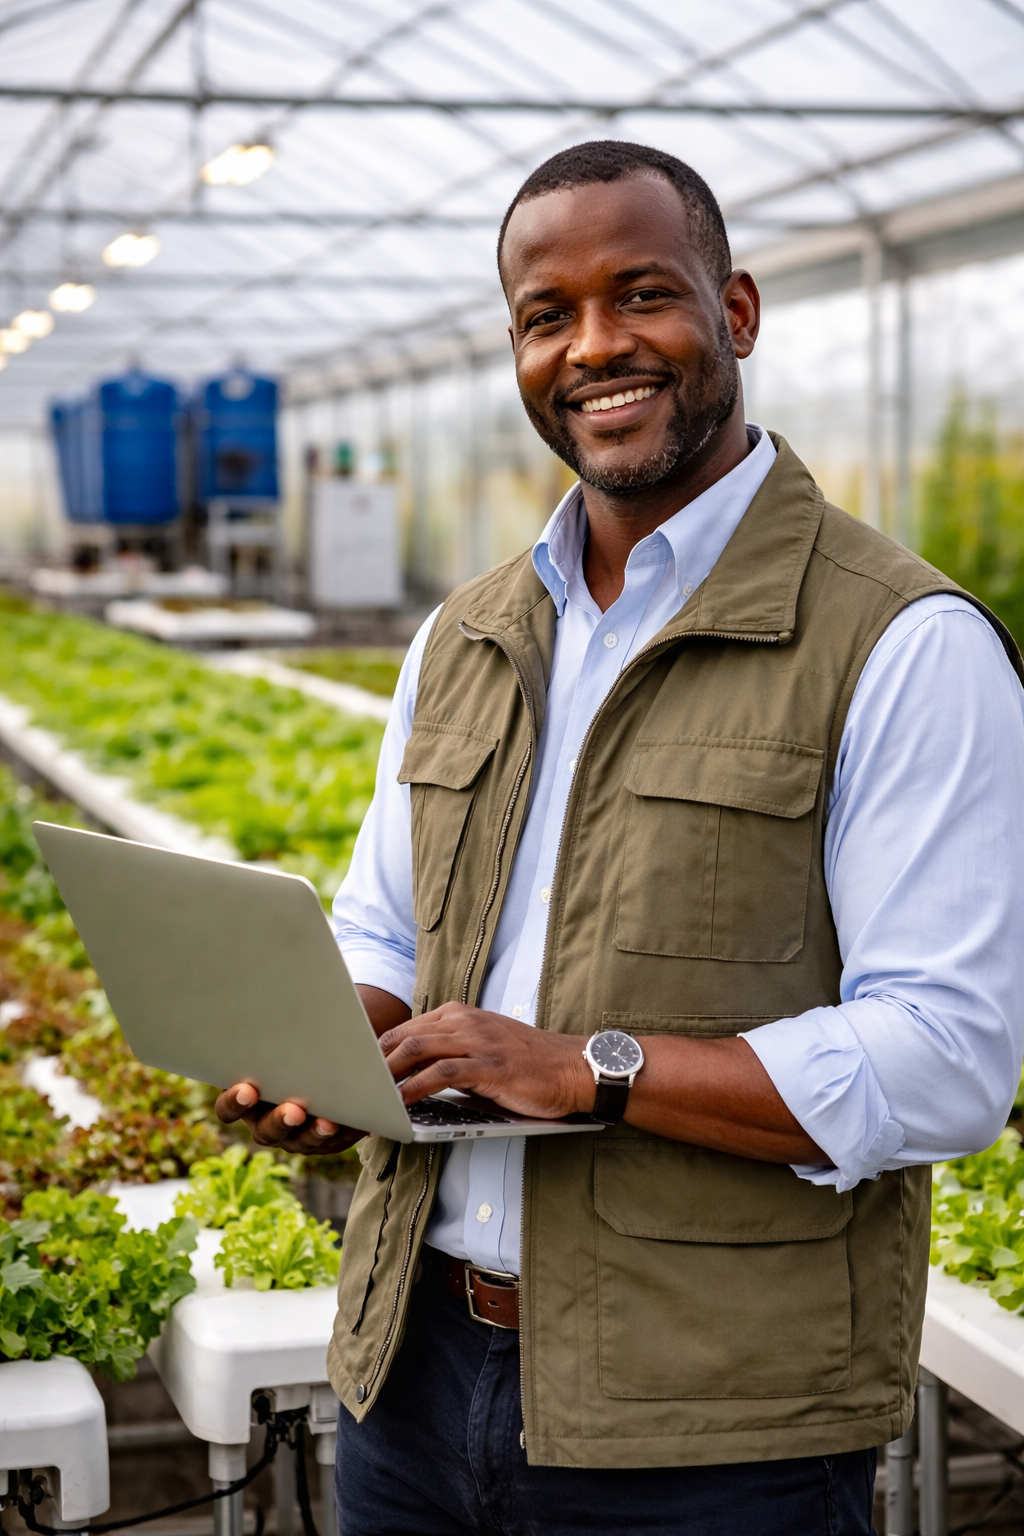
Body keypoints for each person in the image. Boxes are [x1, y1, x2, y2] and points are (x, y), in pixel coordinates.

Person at [217, 141, 1024, 1535]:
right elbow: (385, 920)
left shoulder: (900, 642)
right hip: (409, 1379)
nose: (594, 347)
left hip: (710, 1428)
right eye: (548, 315)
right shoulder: (466, 632)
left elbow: (950, 1062)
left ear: (739, 314)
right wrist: (332, 1032)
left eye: (641, 295)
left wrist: (587, 1069)